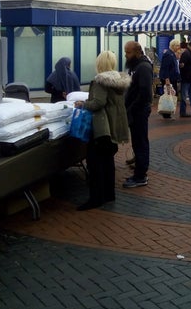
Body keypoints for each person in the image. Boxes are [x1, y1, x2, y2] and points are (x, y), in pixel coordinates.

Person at [74, 50, 130, 210]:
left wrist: (83, 104)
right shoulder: (118, 81)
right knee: (107, 162)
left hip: (101, 127)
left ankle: (96, 198)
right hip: (114, 126)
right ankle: (108, 194)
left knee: (95, 163)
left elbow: (98, 103)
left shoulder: (100, 81)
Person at [123, 41, 153, 188]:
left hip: (139, 112)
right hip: (135, 111)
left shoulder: (144, 67)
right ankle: (140, 168)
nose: (125, 55)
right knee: (137, 141)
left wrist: (132, 108)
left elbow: (145, 93)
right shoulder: (136, 67)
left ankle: (141, 175)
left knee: (140, 142)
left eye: (128, 52)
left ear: (137, 52)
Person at [158, 39, 181, 116]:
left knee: (171, 95)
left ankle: (169, 111)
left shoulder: (171, 54)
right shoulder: (168, 54)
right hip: (168, 79)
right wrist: (167, 79)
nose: (178, 47)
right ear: (173, 45)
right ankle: (166, 112)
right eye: (177, 45)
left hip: (172, 78)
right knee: (168, 95)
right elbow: (165, 67)